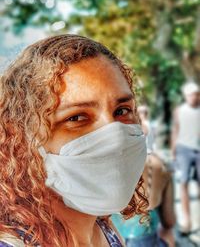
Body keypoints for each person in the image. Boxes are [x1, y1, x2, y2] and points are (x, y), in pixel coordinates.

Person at [0, 34, 148, 247]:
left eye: (122, 110)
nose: (115, 136)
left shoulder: (103, 228)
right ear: (22, 137)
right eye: (77, 117)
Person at [112, 105, 176, 247]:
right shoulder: (159, 165)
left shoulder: (97, 168)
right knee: (168, 235)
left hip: (110, 240)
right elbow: (169, 221)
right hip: (144, 240)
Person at [171, 81, 200, 233]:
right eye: (190, 95)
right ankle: (187, 221)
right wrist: (173, 152)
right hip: (184, 150)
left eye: (195, 95)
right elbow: (175, 130)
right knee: (183, 184)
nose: (193, 98)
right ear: (186, 96)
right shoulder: (179, 111)